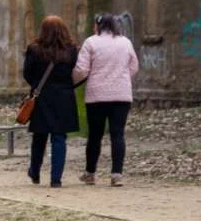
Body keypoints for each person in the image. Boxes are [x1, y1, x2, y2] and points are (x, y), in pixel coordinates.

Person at [73, 12, 140, 187]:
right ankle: (117, 174)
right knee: (118, 134)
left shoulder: (90, 42)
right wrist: (122, 77)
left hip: (97, 96)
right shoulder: (125, 42)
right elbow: (134, 66)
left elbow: (81, 69)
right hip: (121, 95)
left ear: (98, 25)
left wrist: (75, 81)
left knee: (95, 135)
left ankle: (90, 173)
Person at [23, 15, 80, 187]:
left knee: (39, 136)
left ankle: (35, 172)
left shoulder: (34, 49)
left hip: (42, 97)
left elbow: (27, 73)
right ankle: (56, 179)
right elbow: (78, 73)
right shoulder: (71, 50)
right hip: (64, 98)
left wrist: (35, 85)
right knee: (59, 137)